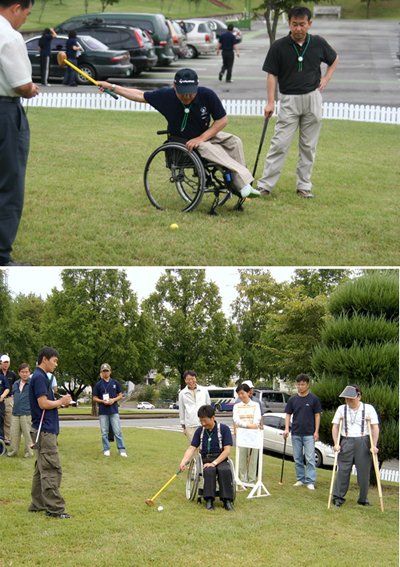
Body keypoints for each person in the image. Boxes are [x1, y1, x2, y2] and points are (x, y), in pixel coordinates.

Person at [97, 68, 260, 199]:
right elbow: (139, 95)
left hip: (203, 135)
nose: (187, 96)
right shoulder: (165, 96)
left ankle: (239, 185)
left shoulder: (207, 94)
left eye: (191, 92)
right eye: (183, 92)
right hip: (183, 140)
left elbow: (222, 120)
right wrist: (111, 87)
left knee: (234, 141)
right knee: (209, 149)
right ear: (175, 86)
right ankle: (245, 184)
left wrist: (202, 137)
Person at [257, 6, 339, 198]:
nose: (298, 28)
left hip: (312, 98)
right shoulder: (278, 46)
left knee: (308, 146)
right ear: (289, 24)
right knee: (279, 144)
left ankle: (304, 186)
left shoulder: (318, 42)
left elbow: (334, 59)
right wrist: (271, 102)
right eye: (295, 24)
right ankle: (265, 185)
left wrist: (326, 78)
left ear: (309, 24)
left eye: (302, 24)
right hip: (289, 100)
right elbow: (271, 75)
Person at [0, 0, 39, 266]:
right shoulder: (9, 36)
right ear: (16, 7)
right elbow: (21, 85)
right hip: (5, 113)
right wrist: (31, 88)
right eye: (27, 13)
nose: (26, 19)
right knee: (9, 185)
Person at [28, 346, 73, 518]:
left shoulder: (40, 377)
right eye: (54, 361)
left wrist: (61, 403)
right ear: (44, 359)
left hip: (44, 429)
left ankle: (38, 503)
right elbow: (43, 404)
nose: (55, 365)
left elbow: (48, 404)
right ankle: (55, 509)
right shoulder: (40, 377)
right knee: (51, 468)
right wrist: (60, 401)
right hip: (44, 430)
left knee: (40, 469)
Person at [179, 404, 235, 511]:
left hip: (220, 457)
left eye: (205, 421)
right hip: (205, 458)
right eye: (201, 421)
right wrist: (184, 461)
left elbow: (227, 450)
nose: (203, 424)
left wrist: (214, 462)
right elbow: (191, 448)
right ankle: (209, 500)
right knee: (209, 470)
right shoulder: (200, 431)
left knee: (224, 470)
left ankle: (227, 500)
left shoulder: (224, 429)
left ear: (213, 418)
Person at [332, 384, 379, 508]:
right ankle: (338, 497)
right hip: (347, 440)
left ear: (359, 396)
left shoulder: (368, 409)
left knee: (364, 472)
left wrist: (374, 445)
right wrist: (336, 443)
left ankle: (363, 499)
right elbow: (335, 426)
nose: (348, 401)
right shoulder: (342, 409)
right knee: (343, 470)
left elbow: (375, 427)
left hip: (363, 441)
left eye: (351, 398)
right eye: (346, 398)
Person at [283, 373, 322, 490]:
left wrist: (316, 431)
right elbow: (288, 414)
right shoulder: (293, 399)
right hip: (296, 432)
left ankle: (310, 481)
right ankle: (300, 479)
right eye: (299, 384)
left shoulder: (313, 399)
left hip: (309, 433)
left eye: (303, 384)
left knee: (310, 458)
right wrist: (286, 429)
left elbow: (317, 415)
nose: (300, 387)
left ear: (308, 385)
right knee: (298, 457)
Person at [92, 363, 127, 457]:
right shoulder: (98, 384)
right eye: (103, 371)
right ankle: (106, 448)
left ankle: (122, 449)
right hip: (103, 411)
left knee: (117, 431)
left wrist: (113, 400)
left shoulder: (115, 383)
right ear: (101, 372)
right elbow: (94, 398)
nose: (105, 373)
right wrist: (102, 401)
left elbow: (120, 395)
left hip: (113, 410)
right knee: (104, 431)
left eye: (107, 371)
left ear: (110, 372)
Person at [233, 383, 261, 484]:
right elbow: (237, 420)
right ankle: (242, 479)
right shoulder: (236, 406)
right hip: (242, 434)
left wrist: (252, 426)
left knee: (253, 458)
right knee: (242, 458)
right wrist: (248, 426)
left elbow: (257, 421)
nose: (240, 396)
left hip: (254, 435)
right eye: (239, 394)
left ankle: (251, 480)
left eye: (242, 393)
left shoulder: (256, 405)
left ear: (248, 393)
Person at [7, 363, 33, 458]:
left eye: (26, 372)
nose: (25, 374)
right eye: (23, 372)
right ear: (19, 373)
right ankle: (13, 452)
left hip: (26, 412)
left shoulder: (32, 384)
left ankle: (28, 453)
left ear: (30, 373)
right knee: (14, 434)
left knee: (27, 434)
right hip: (15, 412)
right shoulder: (16, 383)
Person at [178, 370, 211, 444]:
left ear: (195, 378)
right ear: (185, 380)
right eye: (188, 379)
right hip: (190, 424)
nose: (191, 381)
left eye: (192, 378)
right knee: (193, 446)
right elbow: (182, 410)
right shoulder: (182, 393)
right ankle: (194, 456)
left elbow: (208, 406)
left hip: (204, 422)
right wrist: (184, 426)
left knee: (206, 445)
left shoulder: (203, 390)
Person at [0, 354, 17, 444]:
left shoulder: (12, 374)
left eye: (7, 362)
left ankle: (7, 439)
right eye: (4, 362)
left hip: (8, 398)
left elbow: (16, 385)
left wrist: (14, 395)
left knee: (8, 419)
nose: (5, 364)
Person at [0, 368, 10, 441]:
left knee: (1, 421)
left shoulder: (2, 377)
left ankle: (1, 442)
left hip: (0, 402)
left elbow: (7, 388)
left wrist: (2, 396)